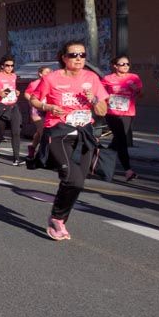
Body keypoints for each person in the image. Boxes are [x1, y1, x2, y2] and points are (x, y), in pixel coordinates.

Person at [31, 41, 109, 241]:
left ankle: (58, 218)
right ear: (64, 57)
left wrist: (93, 100)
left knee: (78, 182)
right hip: (59, 133)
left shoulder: (91, 78)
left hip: (84, 134)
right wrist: (48, 108)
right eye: (73, 55)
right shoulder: (52, 78)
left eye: (82, 55)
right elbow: (34, 99)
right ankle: (58, 219)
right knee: (71, 178)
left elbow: (102, 111)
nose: (78, 59)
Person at [101, 54, 143, 181]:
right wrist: (107, 98)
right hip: (112, 113)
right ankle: (128, 170)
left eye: (127, 64)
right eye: (122, 64)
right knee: (122, 140)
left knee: (118, 141)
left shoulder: (134, 77)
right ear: (115, 66)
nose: (125, 66)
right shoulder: (108, 78)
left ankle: (100, 159)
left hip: (128, 113)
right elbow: (100, 93)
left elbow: (141, 95)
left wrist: (136, 90)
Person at [0, 56, 24, 165]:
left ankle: (16, 159)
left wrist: (16, 92)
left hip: (13, 106)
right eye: (7, 65)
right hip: (1, 107)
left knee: (16, 132)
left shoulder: (14, 76)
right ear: (2, 66)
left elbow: (12, 87)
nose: (10, 67)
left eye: (12, 65)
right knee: (0, 133)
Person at [24, 65, 52, 160]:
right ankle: (44, 155)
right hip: (37, 111)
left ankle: (32, 148)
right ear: (40, 74)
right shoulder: (34, 83)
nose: (49, 74)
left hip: (48, 110)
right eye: (47, 72)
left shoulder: (52, 83)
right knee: (43, 132)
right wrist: (33, 101)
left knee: (39, 132)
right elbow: (27, 94)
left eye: (50, 72)